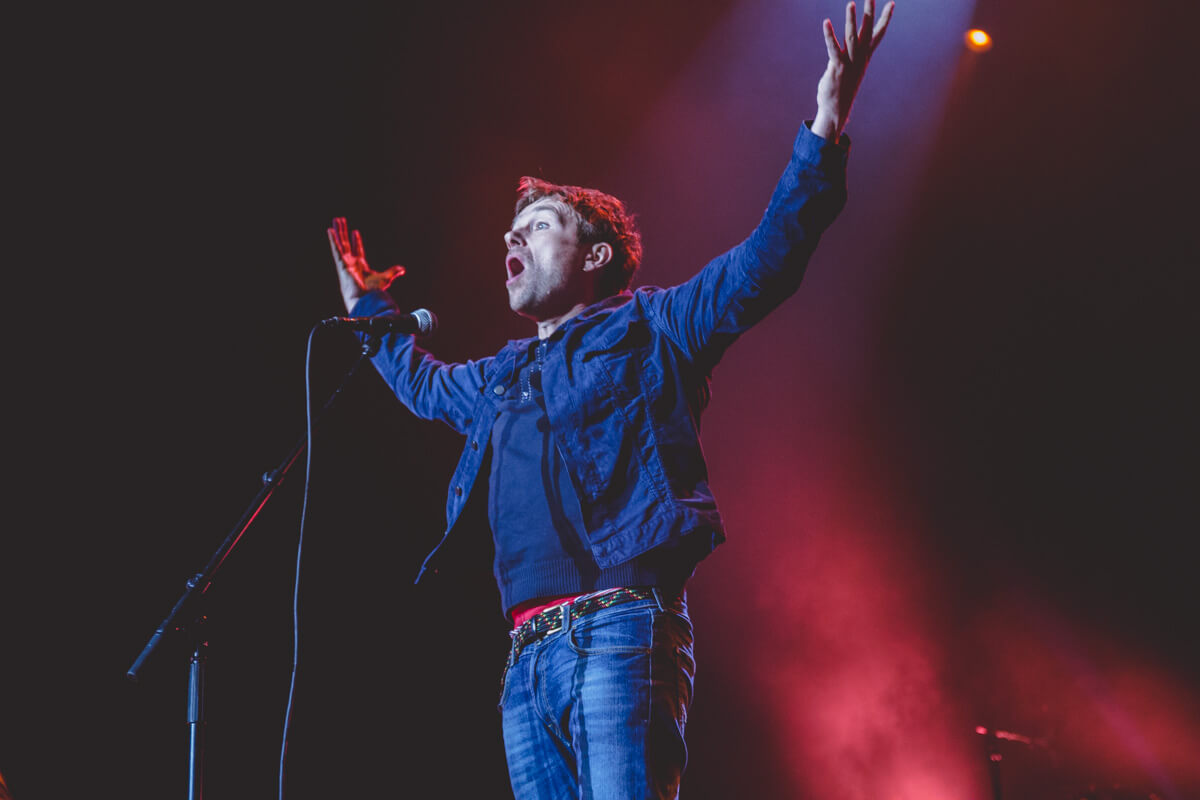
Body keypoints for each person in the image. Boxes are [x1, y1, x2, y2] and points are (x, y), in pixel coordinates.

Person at [327, 2, 894, 797]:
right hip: (525, 656)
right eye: (511, 231)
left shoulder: (655, 326)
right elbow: (421, 384)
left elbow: (767, 259)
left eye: (539, 224)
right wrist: (366, 311)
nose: (511, 239)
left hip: (619, 628)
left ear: (595, 254)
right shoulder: (503, 375)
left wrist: (826, 124)